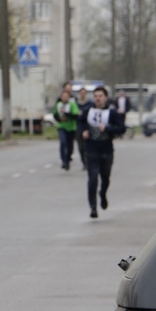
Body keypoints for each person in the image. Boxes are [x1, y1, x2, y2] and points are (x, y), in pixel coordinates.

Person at [78, 86, 126, 218]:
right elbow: (80, 122)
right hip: (91, 149)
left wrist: (108, 128)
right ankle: (93, 208)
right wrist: (84, 132)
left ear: (105, 97)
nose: (98, 98)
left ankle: (103, 194)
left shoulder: (112, 113)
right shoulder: (88, 110)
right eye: (95, 96)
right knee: (92, 179)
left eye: (100, 96)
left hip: (106, 150)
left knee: (105, 178)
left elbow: (122, 128)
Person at [52, 89, 80, 170]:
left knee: (70, 145)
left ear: (69, 97)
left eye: (66, 97)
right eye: (63, 97)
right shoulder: (58, 105)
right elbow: (55, 115)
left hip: (71, 128)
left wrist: (67, 113)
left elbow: (75, 116)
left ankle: (68, 159)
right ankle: (64, 161)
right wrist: (60, 120)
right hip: (62, 126)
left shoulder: (72, 104)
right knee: (63, 142)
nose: (64, 98)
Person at [75, 87, 91, 170]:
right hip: (79, 127)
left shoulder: (90, 103)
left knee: (87, 146)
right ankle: (84, 163)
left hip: (88, 126)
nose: (82, 94)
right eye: (81, 93)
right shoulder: (75, 104)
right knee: (81, 147)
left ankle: (88, 163)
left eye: (84, 93)